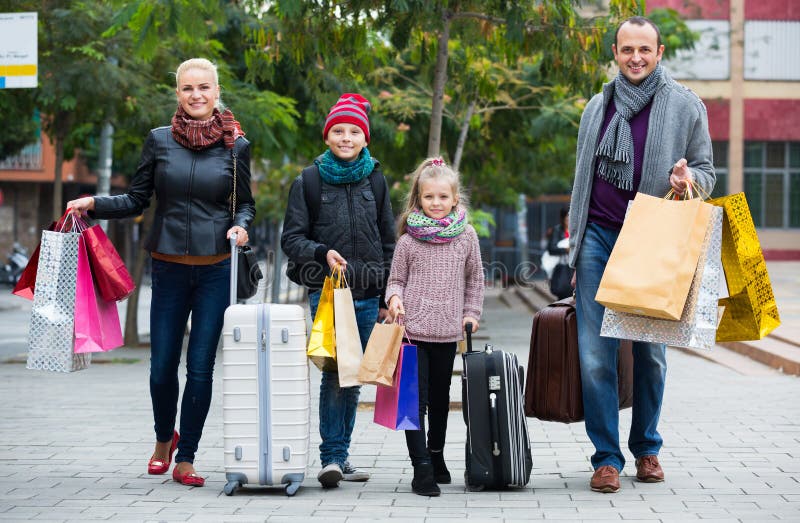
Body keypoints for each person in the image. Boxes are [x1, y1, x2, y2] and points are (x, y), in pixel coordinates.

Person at [67, 58, 254, 487]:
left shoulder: (237, 145)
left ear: (216, 90)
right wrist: (94, 203)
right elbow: (136, 199)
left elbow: (245, 202)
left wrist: (242, 225)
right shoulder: (158, 141)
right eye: (188, 89)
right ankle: (161, 439)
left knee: (201, 368)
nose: (196, 96)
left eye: (204, 88)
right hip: (168, 269)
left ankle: (186, 456)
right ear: (178, 93)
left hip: (215, 272)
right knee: (161, 367)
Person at [567, 16, 715, 493]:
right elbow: (582, 182)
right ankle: (606, 457)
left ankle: (647, 449)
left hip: (652, 243)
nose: (635, 58)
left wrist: (688, 180)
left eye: (644, 50)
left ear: (660, 51)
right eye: (627, 50)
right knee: (596, 357)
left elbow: (708, 169)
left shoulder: (685, 106)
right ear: (615, 51)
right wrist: (574, 248)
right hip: (597, 239)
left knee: (651, 355)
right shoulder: (597, 106)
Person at [281, 93, 395, 488]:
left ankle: (341, 456)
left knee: (355, 376)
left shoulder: (375, 179)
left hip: (367, 292)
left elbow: (388, 241)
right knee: (335, 372)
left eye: (354, 131)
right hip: (329, 293)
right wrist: (320, 252)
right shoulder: (308, 181)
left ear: (365, 138)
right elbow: (291, 239)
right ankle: (331, 457)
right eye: (338, 131)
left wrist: (385, 296)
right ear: (327, 136)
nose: (346, 137)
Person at [386, 157, 484, 497]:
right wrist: (394, 299)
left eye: (443, 197)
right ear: (419, 199)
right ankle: (421, 468)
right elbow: (396, 281)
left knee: (441, 400)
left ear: (455, 198)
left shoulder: (467, 237)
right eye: (429, 198)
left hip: (447, 332)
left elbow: (475, 280)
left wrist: (471, 312)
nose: (436, 204)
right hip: (412, 332)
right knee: (415, 401)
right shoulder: (408, 242)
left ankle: (438, 455)